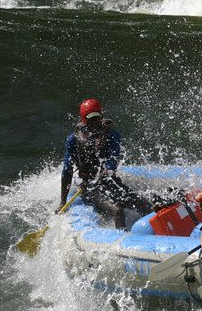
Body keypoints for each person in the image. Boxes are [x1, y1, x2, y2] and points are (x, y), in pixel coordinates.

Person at [58, 98, 153, 229]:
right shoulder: (73, 140)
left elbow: (113, 159)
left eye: (97, 117)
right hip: (90, 187)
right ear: (84, 119)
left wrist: (108, 170)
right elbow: (67, 171)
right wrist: (63, 201)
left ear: (101, 115)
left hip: (110, 182)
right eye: (90, 118)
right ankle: (123, 240)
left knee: (144, 204)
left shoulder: (112, 135)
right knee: (118, 210)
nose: (95, 122)